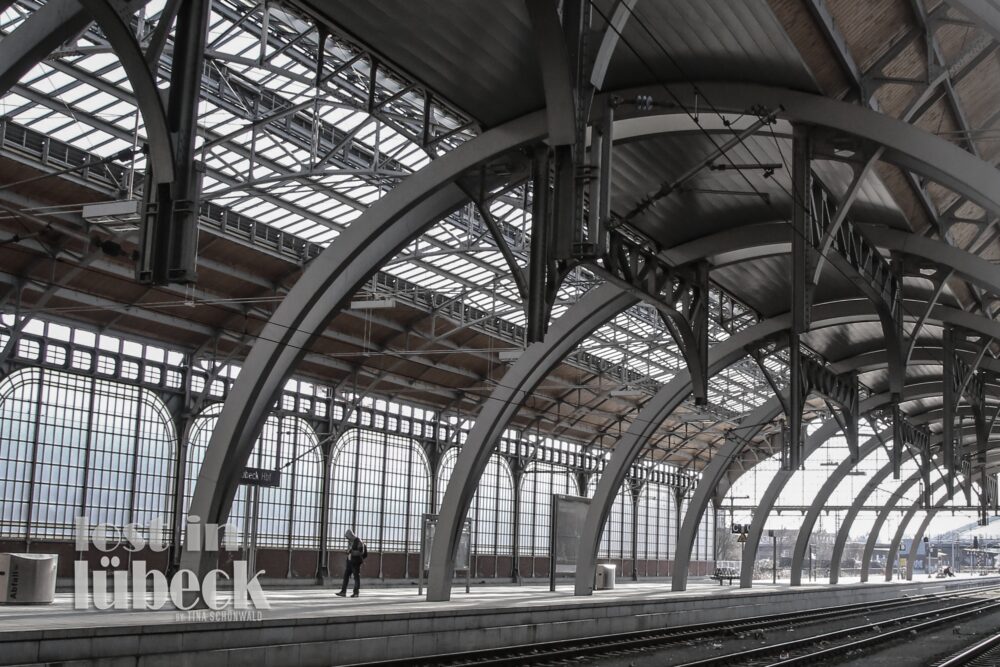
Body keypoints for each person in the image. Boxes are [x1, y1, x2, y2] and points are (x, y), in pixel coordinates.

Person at [336, 528, 367, 597]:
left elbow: (360, 552)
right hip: (350, 562)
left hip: (356, 562)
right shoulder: (351, 541)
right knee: (346, 576)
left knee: (356, 577)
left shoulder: (358, 541)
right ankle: (343, 592)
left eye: (347, 537)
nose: (347, 539)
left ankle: (356, 593)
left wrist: (351, 552)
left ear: (350, 535)